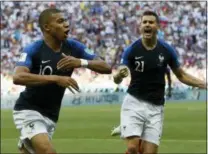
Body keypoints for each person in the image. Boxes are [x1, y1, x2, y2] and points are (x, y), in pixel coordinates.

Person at [12, 8, 111, 154]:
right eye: (60, 21)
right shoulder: (34, 49)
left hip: (51, 115)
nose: (66, 24)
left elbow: (106, 67)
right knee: (48, 151)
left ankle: (26, 144)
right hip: (28, 110)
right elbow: (18, 77)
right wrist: (57, 79)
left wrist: (81, 62)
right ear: (47, 27)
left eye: (66, 20)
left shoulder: (73, 47)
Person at [112, 10, 206, 154]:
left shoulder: (167, 50)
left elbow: (181, 75)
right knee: (132, 148)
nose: (147, 25)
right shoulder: (131, 50)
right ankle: (133, 131)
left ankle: (137, 133)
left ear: (157, 27)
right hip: (134, 103)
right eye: (144, 22)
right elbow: (117, 77)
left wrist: (204, 84)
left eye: (151, 22)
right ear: (140, 27)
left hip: (156, 108)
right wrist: (119, 75)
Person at [111, 68, 172, 136]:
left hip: (155, 93)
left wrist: (169, 89)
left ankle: (125, 126)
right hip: (146, 91)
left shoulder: (162, 65)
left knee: (149, 113)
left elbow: (168, 76)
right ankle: (124, 126)